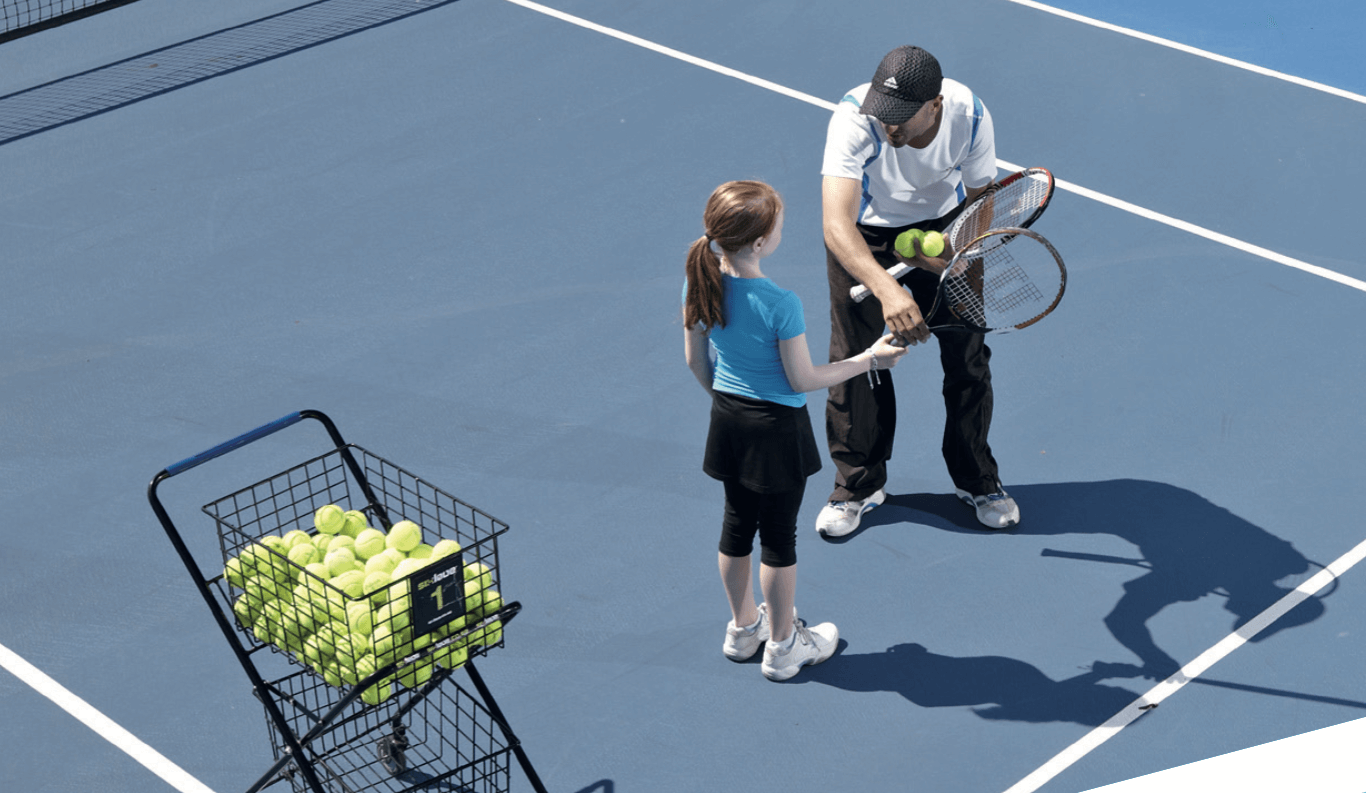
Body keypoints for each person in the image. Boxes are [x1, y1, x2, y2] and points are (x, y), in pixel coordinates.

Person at [683, 180, 907, 681]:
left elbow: (695, 359)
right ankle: (784, 646)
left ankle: (743, 630)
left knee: (736, 524)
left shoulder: (697, 280)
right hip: (776, 432)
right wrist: (871, 359)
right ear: (761, 242)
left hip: (728, 421)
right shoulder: (779, 302)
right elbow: (804, 380)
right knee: (779, 538)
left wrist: (729, 405)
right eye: (779, 225)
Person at [816, 45, 1020, 536]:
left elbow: (981, 203)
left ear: (935, 105)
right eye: (883, 115)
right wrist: (887, 288)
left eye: (902, 118)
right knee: (856, 361)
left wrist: (954, 252)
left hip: (946, 229)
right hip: (865, 235)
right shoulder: (852, 119)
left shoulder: (970, 116)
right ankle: (858, 485)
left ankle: (977, 478)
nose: (890, 127)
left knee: (968, 359)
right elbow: (835, 223)